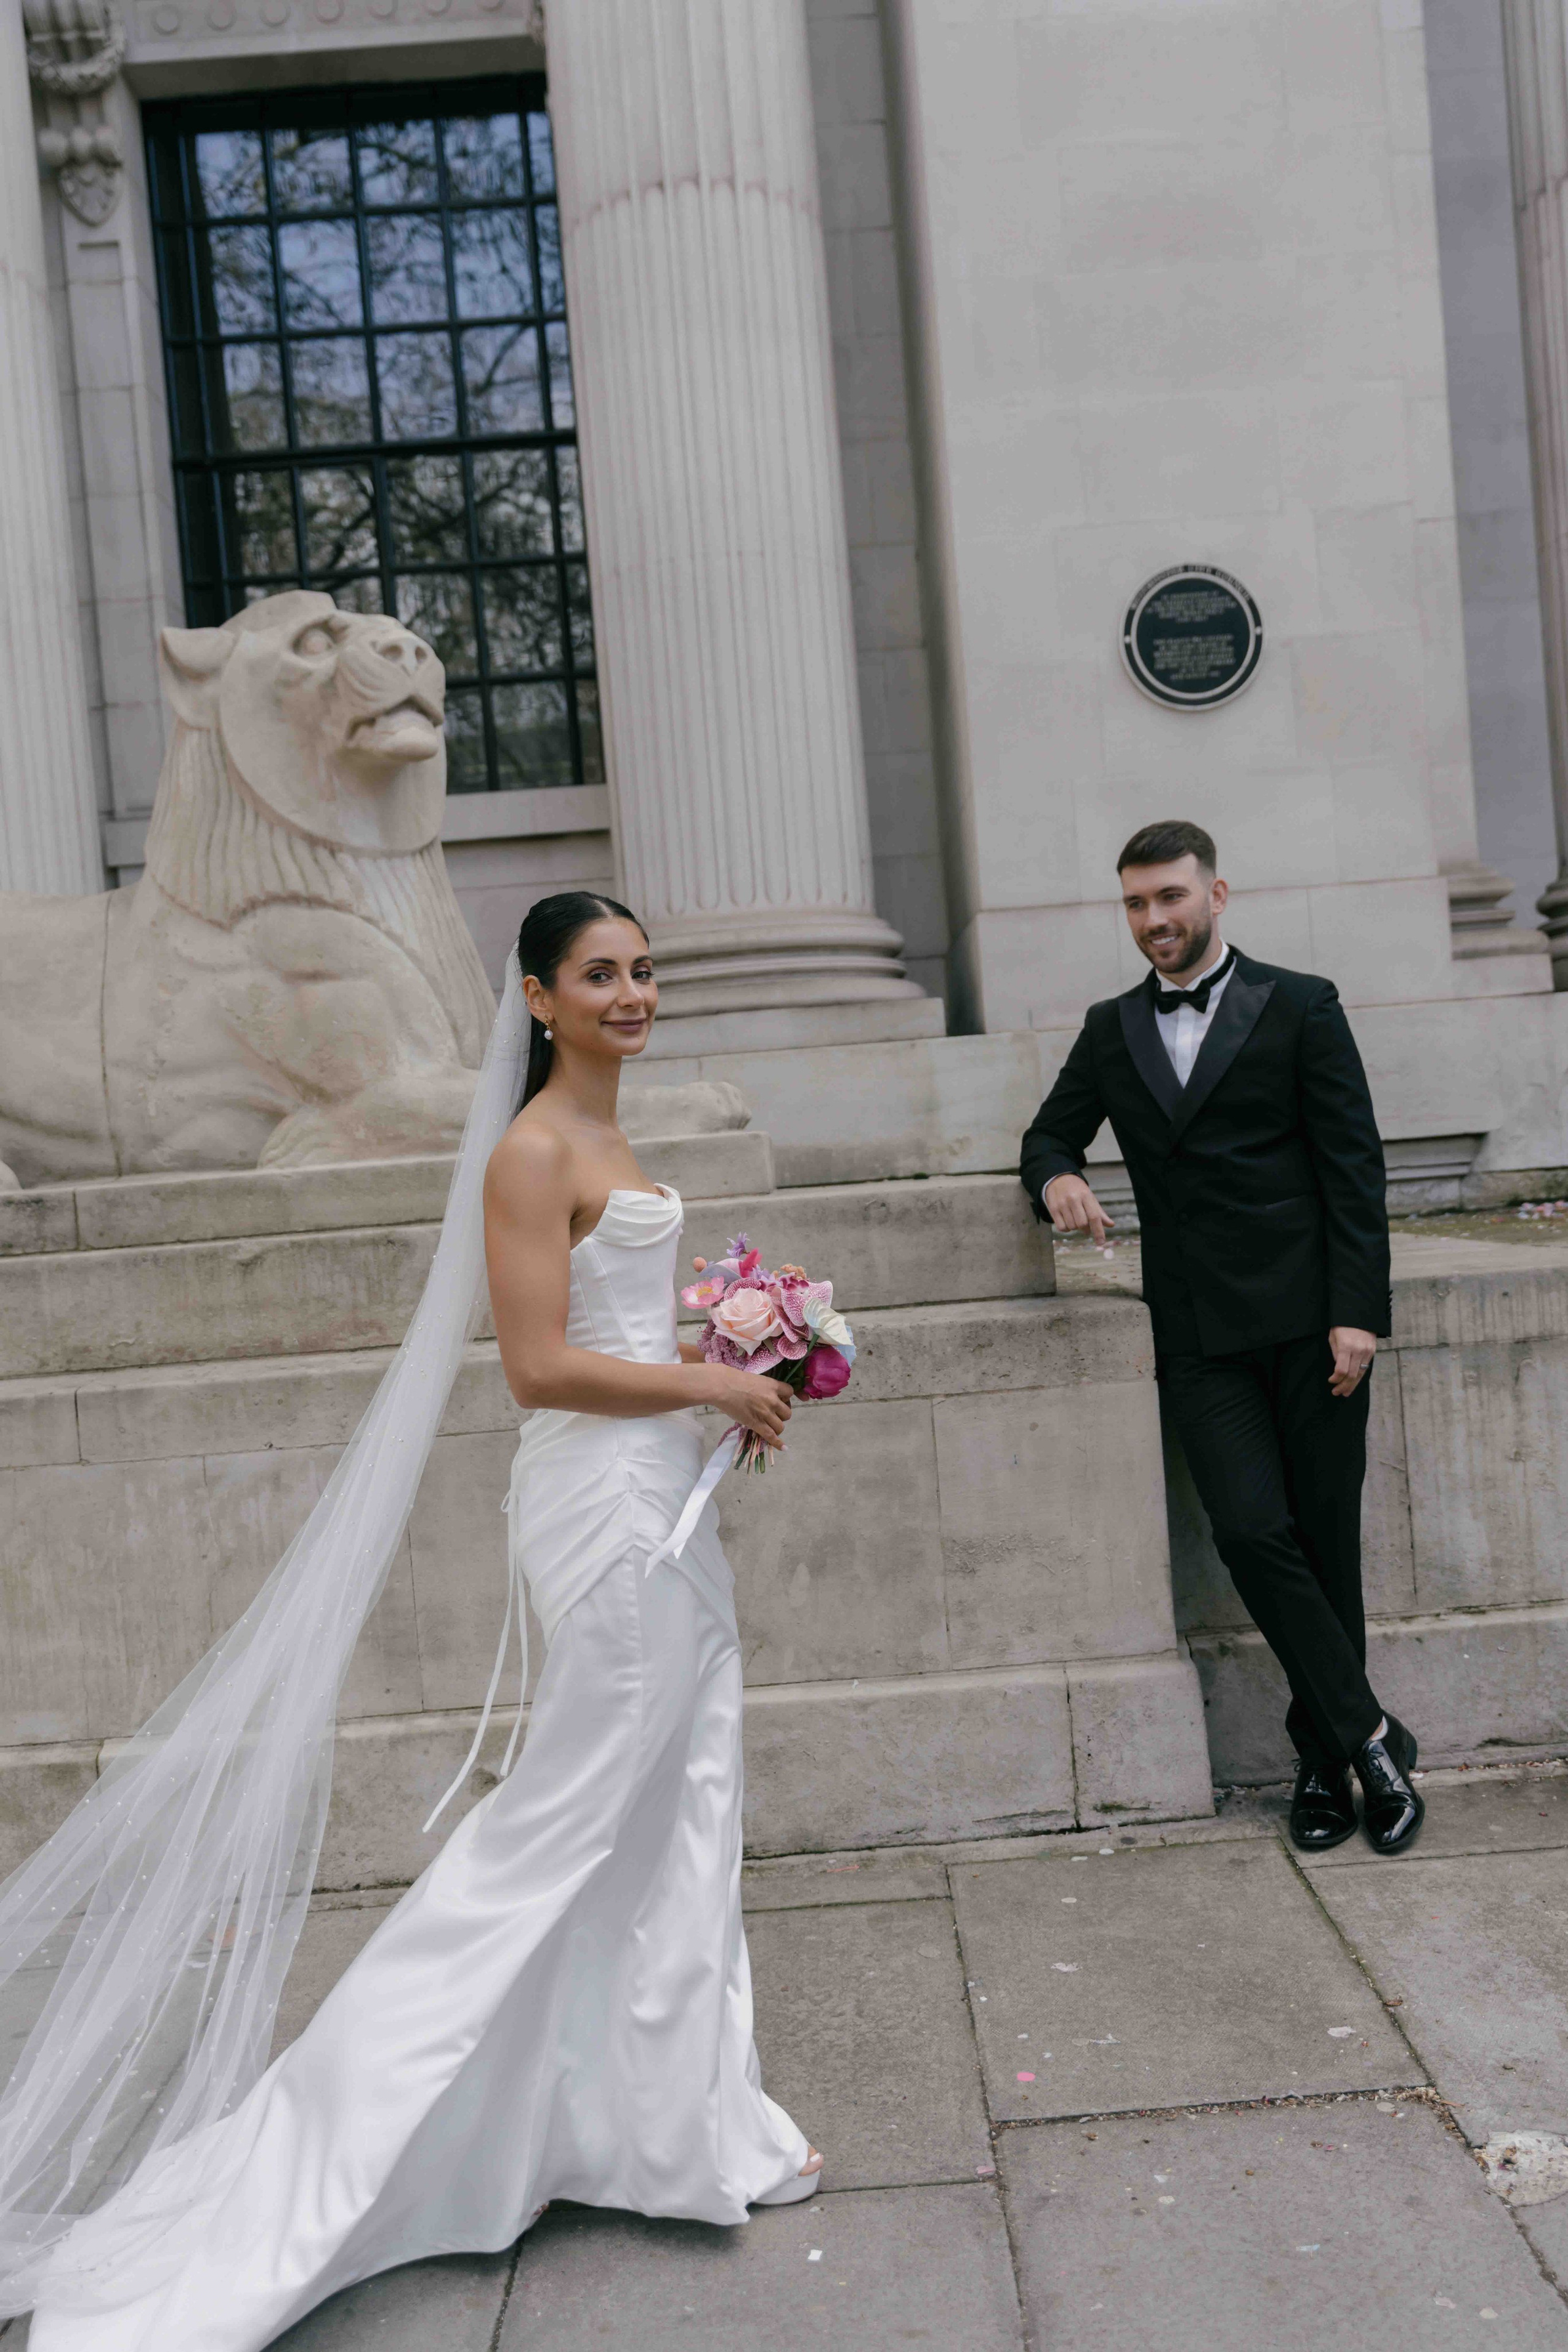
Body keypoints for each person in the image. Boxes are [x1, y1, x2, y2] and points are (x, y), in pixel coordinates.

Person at [18, 892, 820, 2352]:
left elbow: (616, 1326)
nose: (631, 995)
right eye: (599, 976)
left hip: (667, 1505)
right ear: (535, 997)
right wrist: (710, 1384)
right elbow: (534, 1367)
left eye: (642, 972)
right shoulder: (528, 1151)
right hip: (603, 1521)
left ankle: (666, 2126)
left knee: (678, 1810)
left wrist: (729, 1368)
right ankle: (327, 2153)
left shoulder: (610, 1135)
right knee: (554, 1836)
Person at [1019, 821, 1422, 1860]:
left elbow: (1354, 1168)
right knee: (1249, 1531)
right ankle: (1371, 1736)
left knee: (1325, 1542)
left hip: (1312, 1322)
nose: (1155, 921)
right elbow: (1048, 1133)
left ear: (1217, 894)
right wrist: (1058, 1176)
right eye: (1137, 904)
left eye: (1171, 898)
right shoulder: (1113, 1030)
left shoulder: (1301, 1003)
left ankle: (1323, 1764)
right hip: (1199, 1331)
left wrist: (1358, 1311)